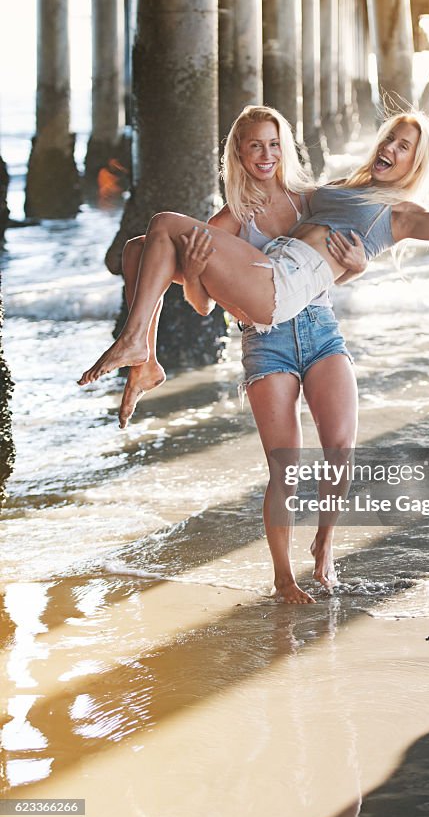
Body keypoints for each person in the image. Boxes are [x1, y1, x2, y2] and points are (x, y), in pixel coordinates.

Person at [78, 109, 429, 390]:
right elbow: (284, 199)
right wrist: (258, 168)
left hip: (280, 290)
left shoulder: (400, 214)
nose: (390, 150)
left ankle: (134, 341)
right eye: (390, 139)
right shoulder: (333, 193)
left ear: (415, 164)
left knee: (167, 223)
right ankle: (143, 356)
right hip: (269, 273)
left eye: (404, 148)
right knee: (138, 249)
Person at [112, 105, 365, 603]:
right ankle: (283, 577)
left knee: (340, 450)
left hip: (320, 331)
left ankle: (324, 545)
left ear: (284, 147)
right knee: (284, 467)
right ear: (239, 154)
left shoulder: (310, 202)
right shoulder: (230, 219)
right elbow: (204, 305)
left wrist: (356, 268)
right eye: (255, 146)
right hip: (264, 343)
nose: (266, 155)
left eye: (273, 144)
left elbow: (341, 262)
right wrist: (202, 270)